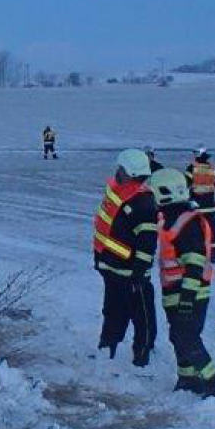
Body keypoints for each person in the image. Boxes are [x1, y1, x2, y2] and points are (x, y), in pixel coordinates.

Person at [149, 168, 215, 398]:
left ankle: (214, 384)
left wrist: (187, 298)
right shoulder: (172, 218)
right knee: (178, 336)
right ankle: (187, 378)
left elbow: (194, 261)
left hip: (189, 292)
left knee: (187, 337)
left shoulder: (184, 221)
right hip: (176, 291)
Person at [92, 149, 158, 366]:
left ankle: (142, 358)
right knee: (112, 311)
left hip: (132, 274)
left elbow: (147, 244)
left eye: (121, 169)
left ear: (130, 173)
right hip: (112, 268)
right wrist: (100, 259)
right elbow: (105, 229)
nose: (117, 171)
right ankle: (106, 348)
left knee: (142, 318)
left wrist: (139, 274)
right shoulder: (121, 193)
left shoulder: (143, 203)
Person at [185, 147, 215, 262]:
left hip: (196, 205)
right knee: (212, 227)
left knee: (195, 228)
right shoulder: (213, 169)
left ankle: (198, 250)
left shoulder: (192, 168)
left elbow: (184, 184)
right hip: (210, 205)